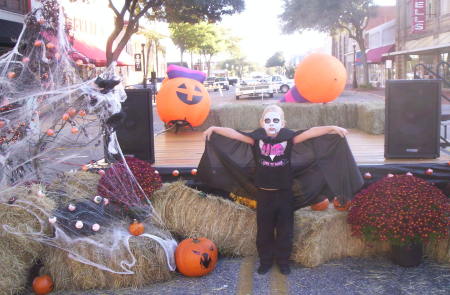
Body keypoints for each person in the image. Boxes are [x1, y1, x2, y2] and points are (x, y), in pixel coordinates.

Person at [202, 105, 354, 276]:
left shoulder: (289, 138)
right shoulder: (255, 138)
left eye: (276, 120)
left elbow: (311, 132)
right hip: (264, 195)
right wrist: (214, 128)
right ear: (261, 123)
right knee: (264, 231)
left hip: (284, 194)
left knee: (285, 231)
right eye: (267, 120)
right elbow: (235, 134)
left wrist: (332, 128)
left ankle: (283, 261)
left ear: (283, 123)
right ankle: (266, 261)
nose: (271, 124)